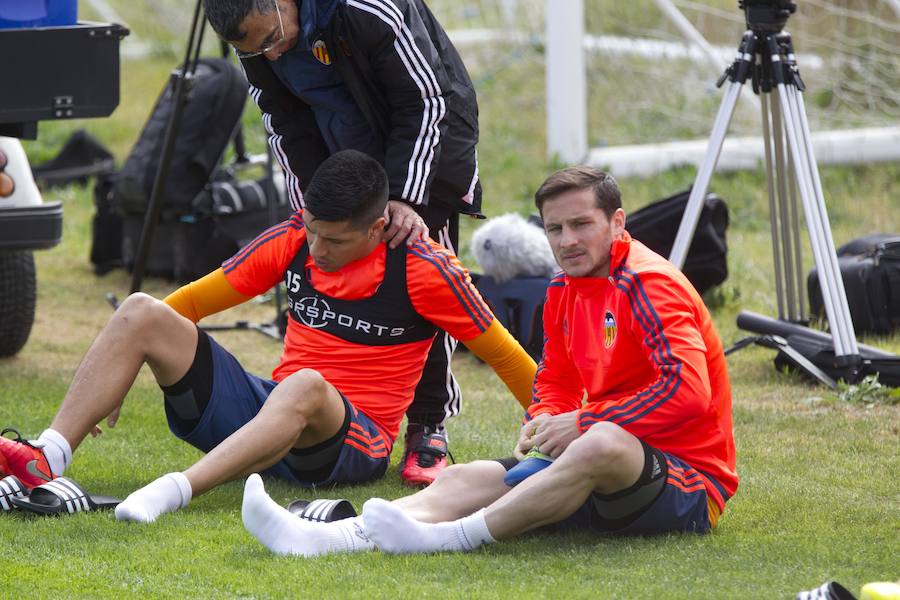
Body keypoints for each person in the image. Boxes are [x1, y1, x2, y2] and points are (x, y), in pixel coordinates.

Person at [0, 150, 535, 525]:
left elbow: (509, 359)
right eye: (312, 230)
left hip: (352, 444)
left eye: (335, 239)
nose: (318, 249)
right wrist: (118, 374)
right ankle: (47, 456)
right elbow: (185, 306)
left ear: (376, 229)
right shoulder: (293, 239)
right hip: (268, 418)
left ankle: (175, 489)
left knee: (303, 384)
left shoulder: (426, 268)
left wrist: (559, 432)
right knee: (143, 310)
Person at [235, 166, 739, 556]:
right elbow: (557, 378)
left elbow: (687, 392)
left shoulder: (650, 283)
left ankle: (451, 538)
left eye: (582, 225)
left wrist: (581, 422)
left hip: (689, 482)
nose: (567, 241)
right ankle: (327, 536)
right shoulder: (562, 288)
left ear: (617, 222)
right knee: (461, 477)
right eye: (555, 228)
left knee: (600, 440)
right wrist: (543, 419)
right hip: (607, 463)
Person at [201, 0, 484, 485]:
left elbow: (427, 100)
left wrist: (405, 197)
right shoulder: (256, 39)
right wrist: (313, 209)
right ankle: (328, 412)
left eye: (271, 39)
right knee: (333, 274)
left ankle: (427, 427)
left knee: (421, 283)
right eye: (253, 50)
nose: (269, 56)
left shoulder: (365, 10)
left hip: (422, 154)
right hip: (342, 161)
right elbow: (284, 123)